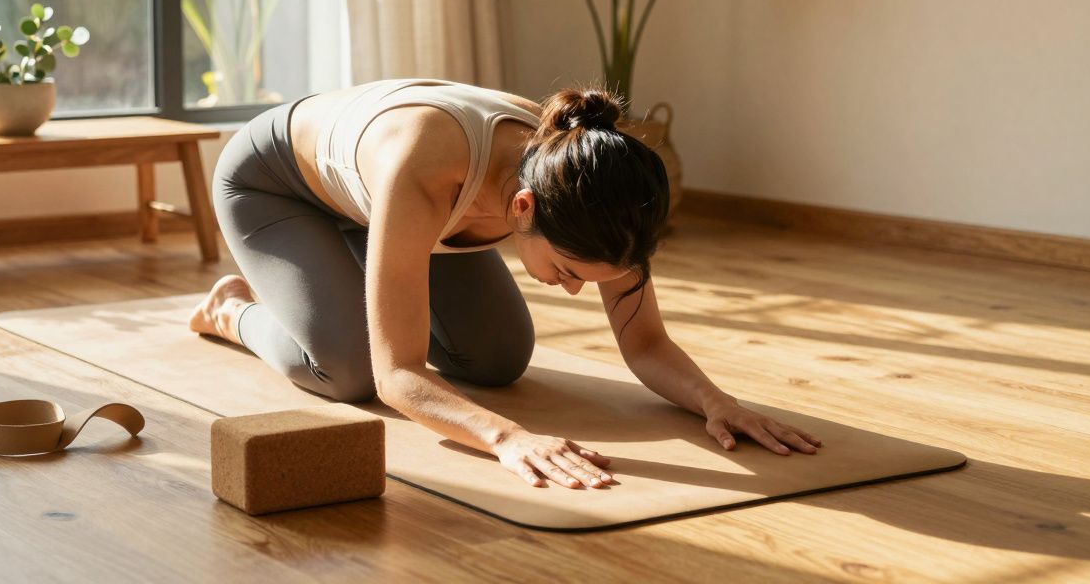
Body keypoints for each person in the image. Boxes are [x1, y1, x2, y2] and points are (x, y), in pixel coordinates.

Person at [190, 78, 822, 490]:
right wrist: (506, 439)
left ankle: (357, 269)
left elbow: (646, 343)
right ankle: (232, 311)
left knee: (496, 359)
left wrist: (716, 401)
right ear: (521, 209)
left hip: (394, 209)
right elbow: (398, 375)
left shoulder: (601, 195)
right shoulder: (428, 166)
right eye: (571, 272)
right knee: (347, 371)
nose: (576, 291)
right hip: (276, 182)